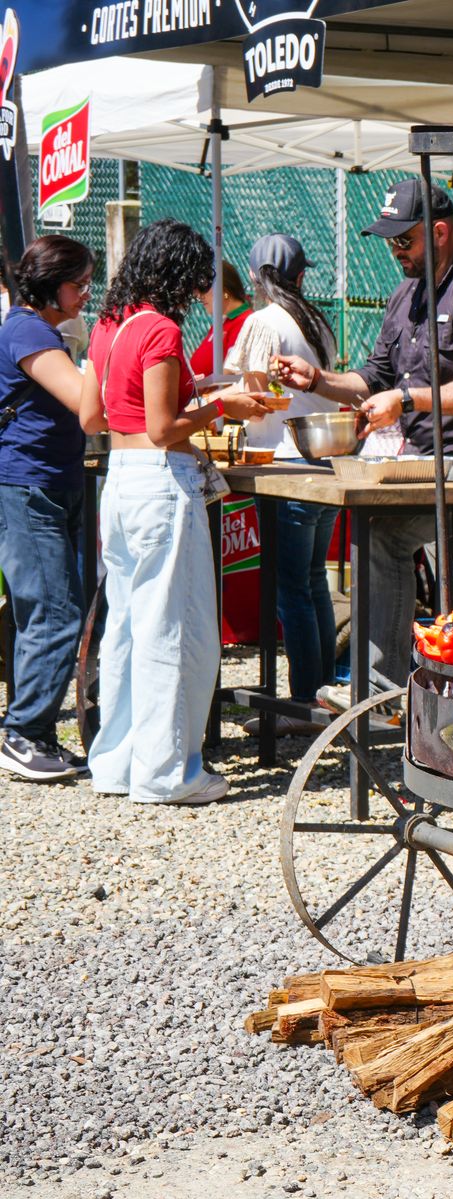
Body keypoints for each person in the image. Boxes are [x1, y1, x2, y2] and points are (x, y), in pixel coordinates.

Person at [271, 178, 453, 701]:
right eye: (390, 242)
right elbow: (374, 377)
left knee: (383, 536)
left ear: (440, 232)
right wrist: (316, 380)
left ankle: (379, 691)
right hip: (433, 459)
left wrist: (406, 402)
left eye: (404, 240)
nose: (395, 251)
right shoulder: (406, 295)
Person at [86, 220, 270, 804]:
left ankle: (117, 764)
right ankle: (167, 773)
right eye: (193, 280)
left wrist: (195, 391)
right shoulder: (160, 329)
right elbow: (165, 429)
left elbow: (94, 416)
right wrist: (222, 406)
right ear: (175, 274)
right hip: (161, 483)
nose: (196, 293)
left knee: (125, 626)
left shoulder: (108, 326)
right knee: (174, 628)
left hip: (119, 480)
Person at [0, 234, 106, 781]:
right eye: (79, 283)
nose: (86, 293)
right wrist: (111, 357)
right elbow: (84, 402)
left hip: (49, 482)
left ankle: (32, 731)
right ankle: (23, 733)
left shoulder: (40, 329)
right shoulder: (27, 330)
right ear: (50, 284)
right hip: (27, 485)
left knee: (46, 610)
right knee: (55, 612)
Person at [225, 233, 339, 735]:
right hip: (325, 461)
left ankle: (302, 705)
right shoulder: (318, 321)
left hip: (283, 465)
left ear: (254, 276)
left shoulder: (262, 321)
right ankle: (323, 697)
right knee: (313, 582)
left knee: (292, 588)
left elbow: (250, 395)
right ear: (301, 275)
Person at [188, 259, 252, 382]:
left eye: (203, 288)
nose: (198, 295)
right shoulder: (223, 322)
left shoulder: (245, 322)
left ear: (224, 290)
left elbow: (232, 375)